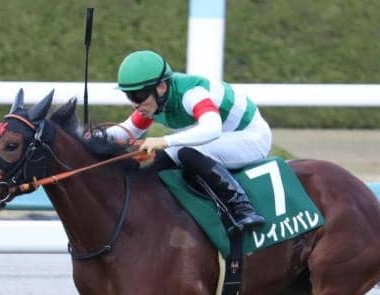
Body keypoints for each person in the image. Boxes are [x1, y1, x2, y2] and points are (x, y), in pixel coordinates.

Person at [104, 50, 271, 232]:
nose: (134, 104)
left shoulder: (192, 93)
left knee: (187, 153)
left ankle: (243, 209)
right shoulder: (153, 101)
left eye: (138, 95)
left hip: (251, 137)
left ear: (161, 87)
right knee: (158, 165)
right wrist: (89, 137)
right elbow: (127, 130)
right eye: (129, 95)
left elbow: (212, 128)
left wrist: (164, 140)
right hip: (221, 138)